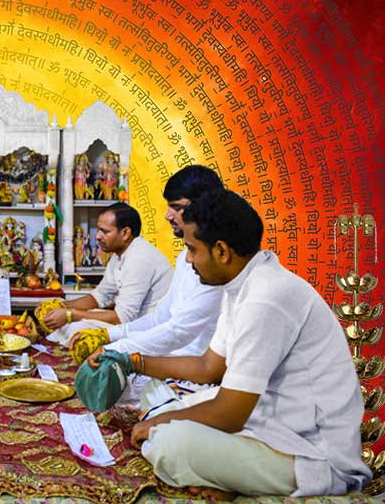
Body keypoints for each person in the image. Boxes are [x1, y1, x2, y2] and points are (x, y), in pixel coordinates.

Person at [84, 189, 371, 498]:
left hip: (311, 453)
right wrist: (133, 362)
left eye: (192, 250)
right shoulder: (242, 284)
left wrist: (158, 422)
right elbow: (209, 367)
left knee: (169, 443)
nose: (189, 260)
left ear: (221, 251)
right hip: (266, 422)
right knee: (156, 395)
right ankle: (222, 474)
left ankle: (229, 479)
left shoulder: (265, 297)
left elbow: (229, 414)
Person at [67, 165, 224, 370]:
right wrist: (106, 336)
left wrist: (114, 348)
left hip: (190, 364)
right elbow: (161, 317)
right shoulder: (183, 257)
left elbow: (178, 331)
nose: (167, 216)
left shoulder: (216, 263)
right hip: (165, 349)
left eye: (176, 207)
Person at [43, 203, 172, 336]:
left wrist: (70, 314)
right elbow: (99, 296)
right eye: (98, 230)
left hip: (150, 331)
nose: (97, 236)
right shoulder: (119, 256)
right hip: (131, 324)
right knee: (70, 325)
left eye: (104, 231)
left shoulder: (140, 258)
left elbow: (122, 318)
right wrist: (61, 306)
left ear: (125, 233)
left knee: (77, 329)